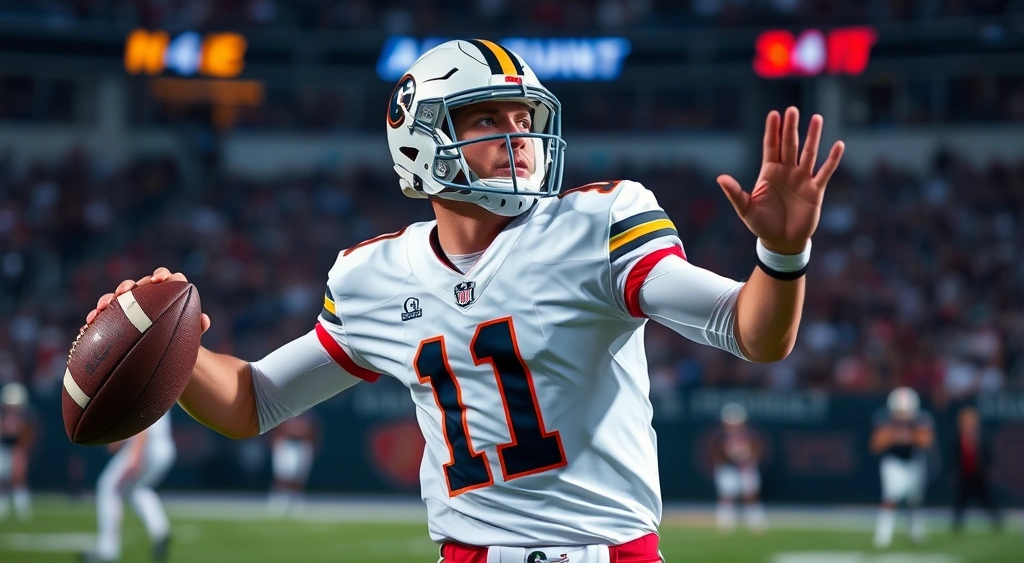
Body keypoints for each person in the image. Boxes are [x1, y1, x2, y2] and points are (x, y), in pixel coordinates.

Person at [84, 39, 843, 562]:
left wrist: (782, 254)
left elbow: (752, 332)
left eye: (524, 120)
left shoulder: (597, 223)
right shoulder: (372, 275)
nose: (516, 137)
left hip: (610, 552)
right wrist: (163, 351)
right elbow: (253, 401)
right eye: (485, 120)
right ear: (418, 140)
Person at [79, 411, 176, 563]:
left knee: (108, 487)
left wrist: (136, 453)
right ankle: (159, 529)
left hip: (146, 446)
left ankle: (107, 550)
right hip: (163, 445)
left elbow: (142, 417)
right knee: (135, 489)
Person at [870, 387, 934, 548]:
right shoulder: (884, 418)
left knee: (915, 500)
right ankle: (883, 534)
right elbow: (876, 444)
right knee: (890, 498)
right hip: (893, 461)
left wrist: (906, 435)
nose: (903, 414)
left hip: (914, 461)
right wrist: (896, 435)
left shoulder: (921, 419)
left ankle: (916, 532)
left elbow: (926, 441)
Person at [711, 403, 766, 534]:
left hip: (746, 468)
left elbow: (757, 449)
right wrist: (729, 461)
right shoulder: (720, 436)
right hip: (727, 468)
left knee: (751, 494)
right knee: (727, 495)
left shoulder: (750, 435)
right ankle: (725, 523)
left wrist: (747, 460)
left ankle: (755, 522)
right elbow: (716, 453)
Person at [951, 406, 1001, 533]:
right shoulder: (958, 437)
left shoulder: (981, 436)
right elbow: (954, 456)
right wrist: (954, 472)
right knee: (960, 502)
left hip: (979, 474)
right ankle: (956, 526)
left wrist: (989, 467)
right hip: (965, 475)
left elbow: (987, 453)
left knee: (987, 500)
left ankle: (997, 522)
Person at [267, 411, 320, 517]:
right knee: (282, 476)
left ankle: (296, 503)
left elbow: (313, 431)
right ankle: (278, 502)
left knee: (299, 477)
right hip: (286, 445)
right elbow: (278, 429)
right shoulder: (284, 411)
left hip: (302, 446)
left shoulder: (309, 414)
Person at [0, 382, 35, 521]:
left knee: (19, 477)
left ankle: (22, 506)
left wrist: (21, 449)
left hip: (17, 448)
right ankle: (4, 504)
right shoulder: (3, 416)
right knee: (2, 477)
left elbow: (28, 436)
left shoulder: (27, 417)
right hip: (3, 447)